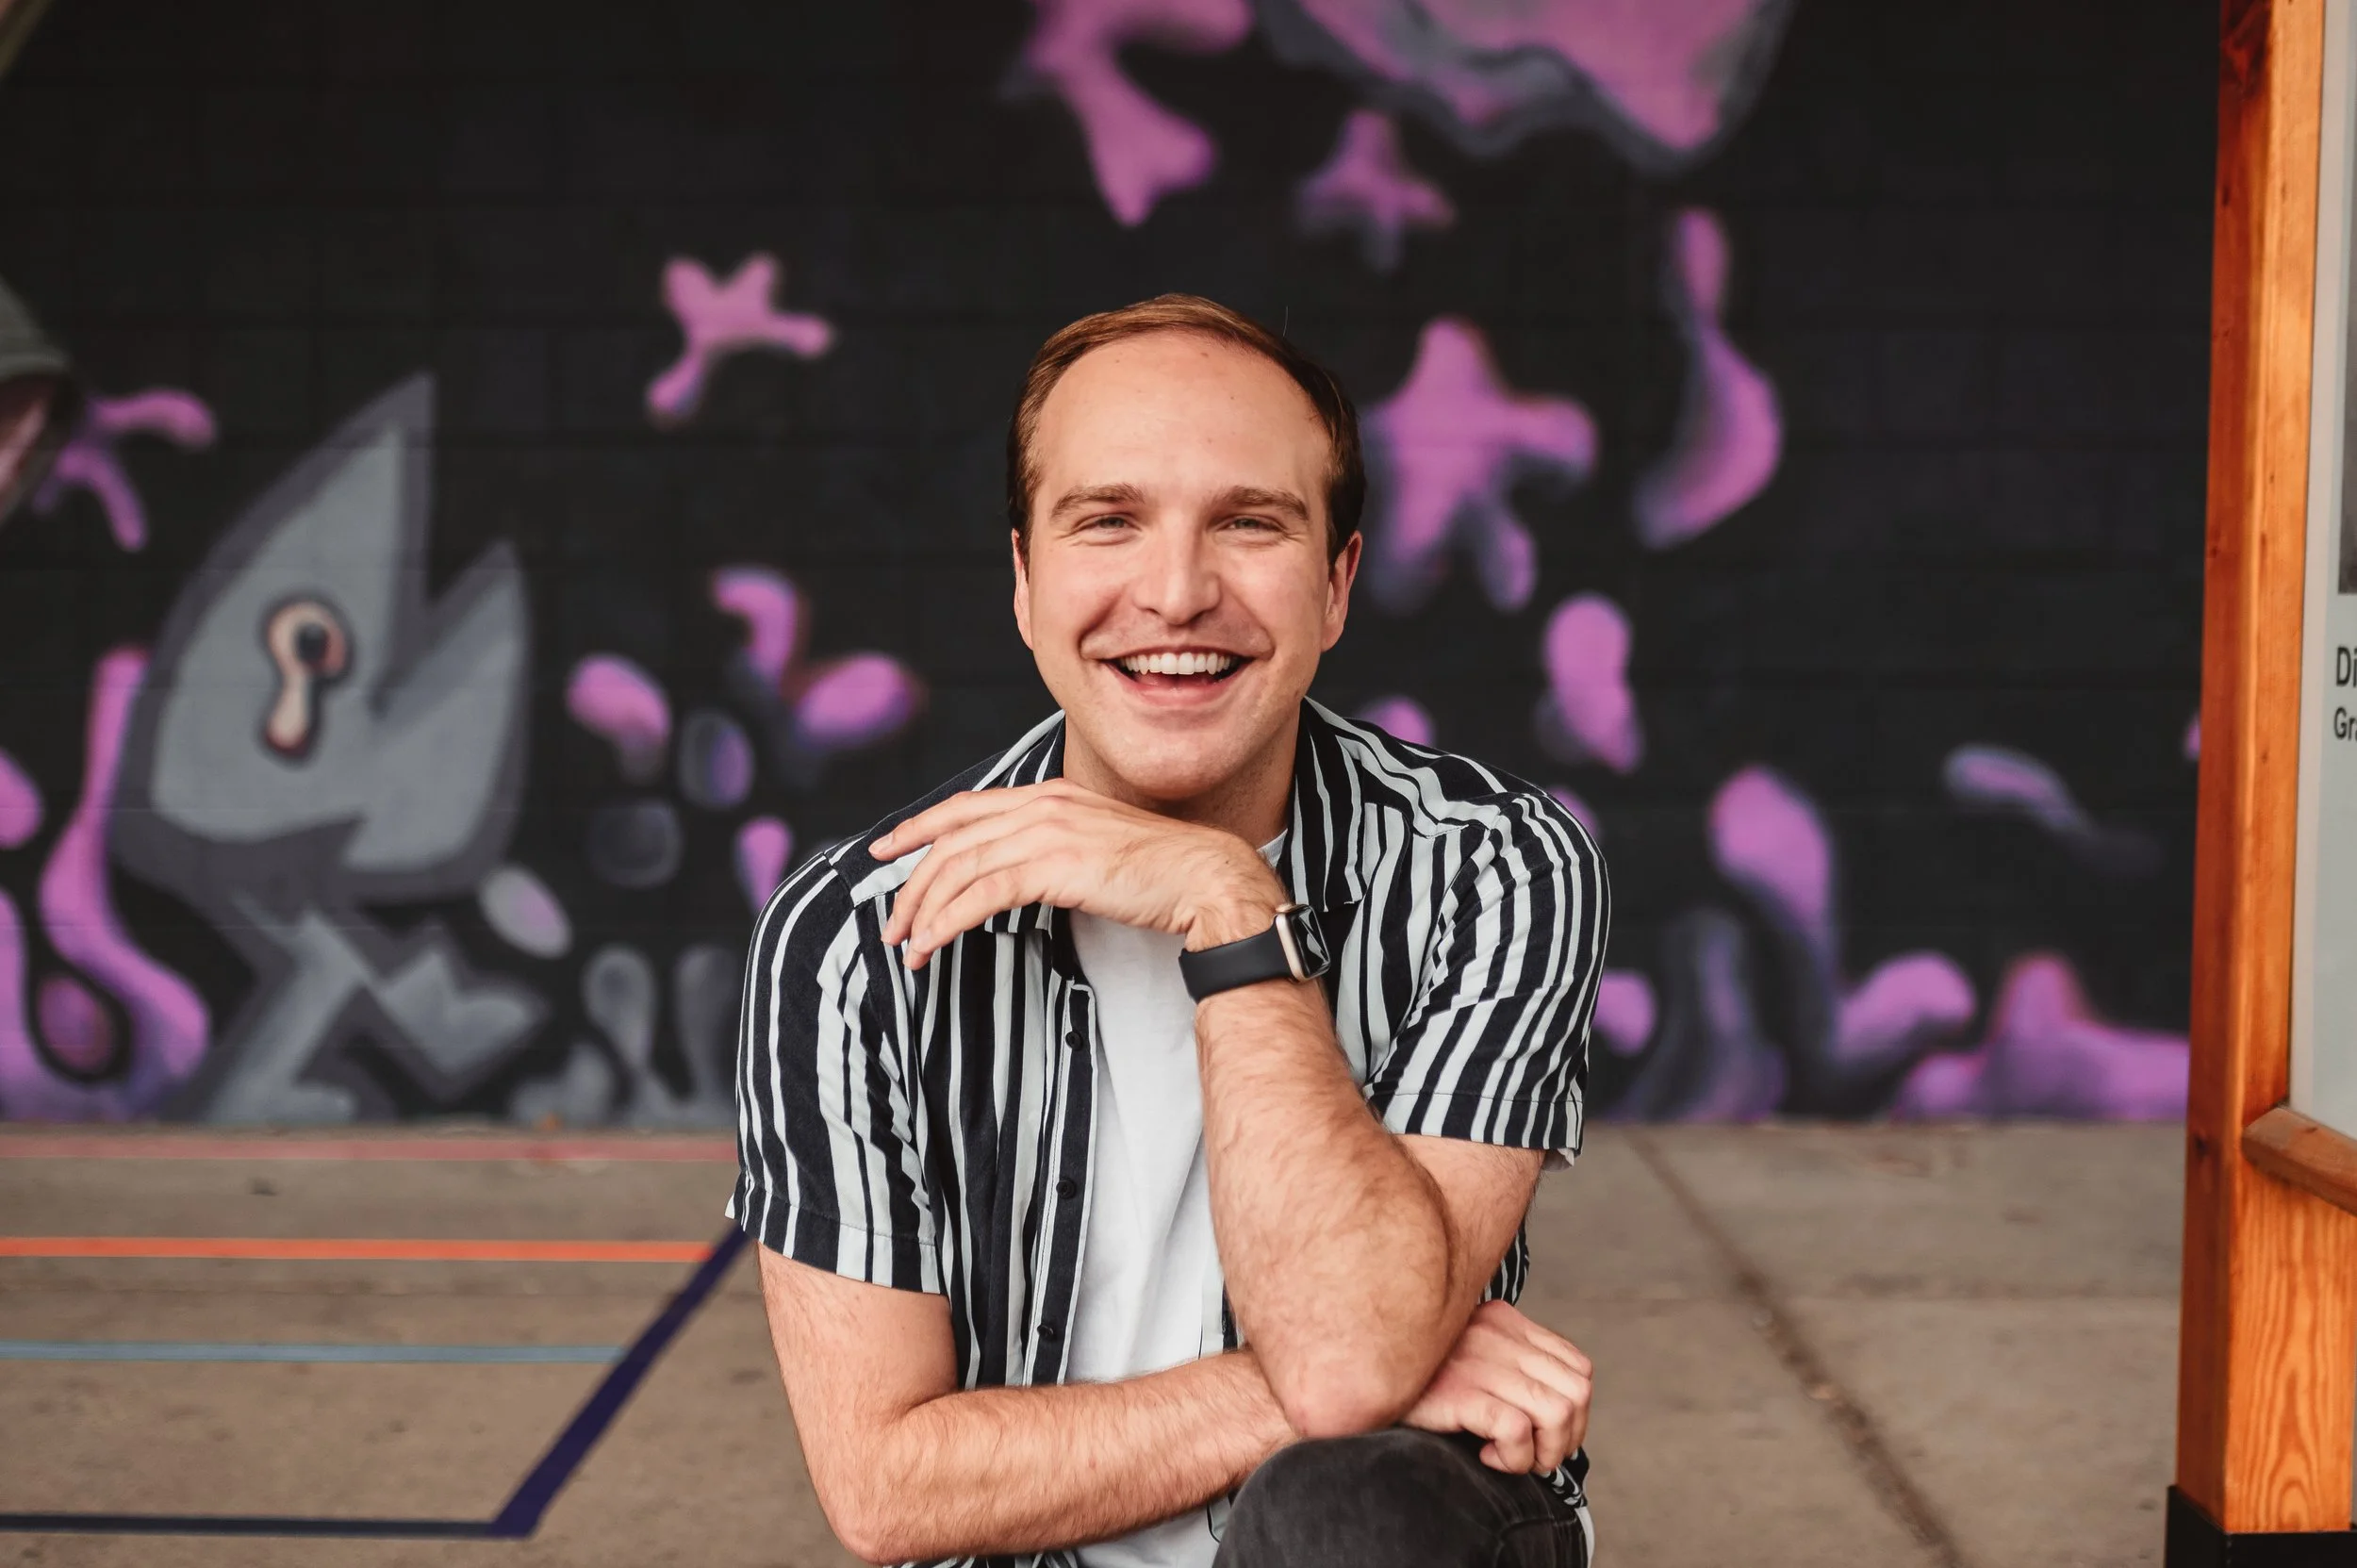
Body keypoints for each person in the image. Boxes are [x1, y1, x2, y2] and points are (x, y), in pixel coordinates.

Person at [732, 294, 1607, 1568]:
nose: (1178, 591)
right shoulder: (854, 939)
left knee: (1349, 1512)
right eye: (1109, 521)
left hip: (1381, 1539)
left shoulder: (1496, 864)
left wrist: (1228, 905)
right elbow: (887, 1485)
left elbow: (1355, 1366)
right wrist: (1335, 1374)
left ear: (1336, 582)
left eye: (1249, 523)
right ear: (1027, 581)